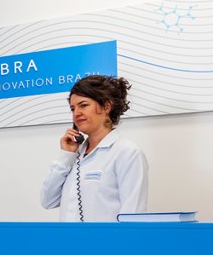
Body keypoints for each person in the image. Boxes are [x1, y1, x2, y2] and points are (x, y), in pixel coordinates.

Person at [39, 74, 148, 222]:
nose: (76, 113)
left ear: (106, 107)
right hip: (69, 237)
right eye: (73, 108)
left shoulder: (127, 152)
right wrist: (66, 156)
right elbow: (47, 201)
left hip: (105, 238)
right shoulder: (74, 155)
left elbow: (133, 215)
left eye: (83, 105)